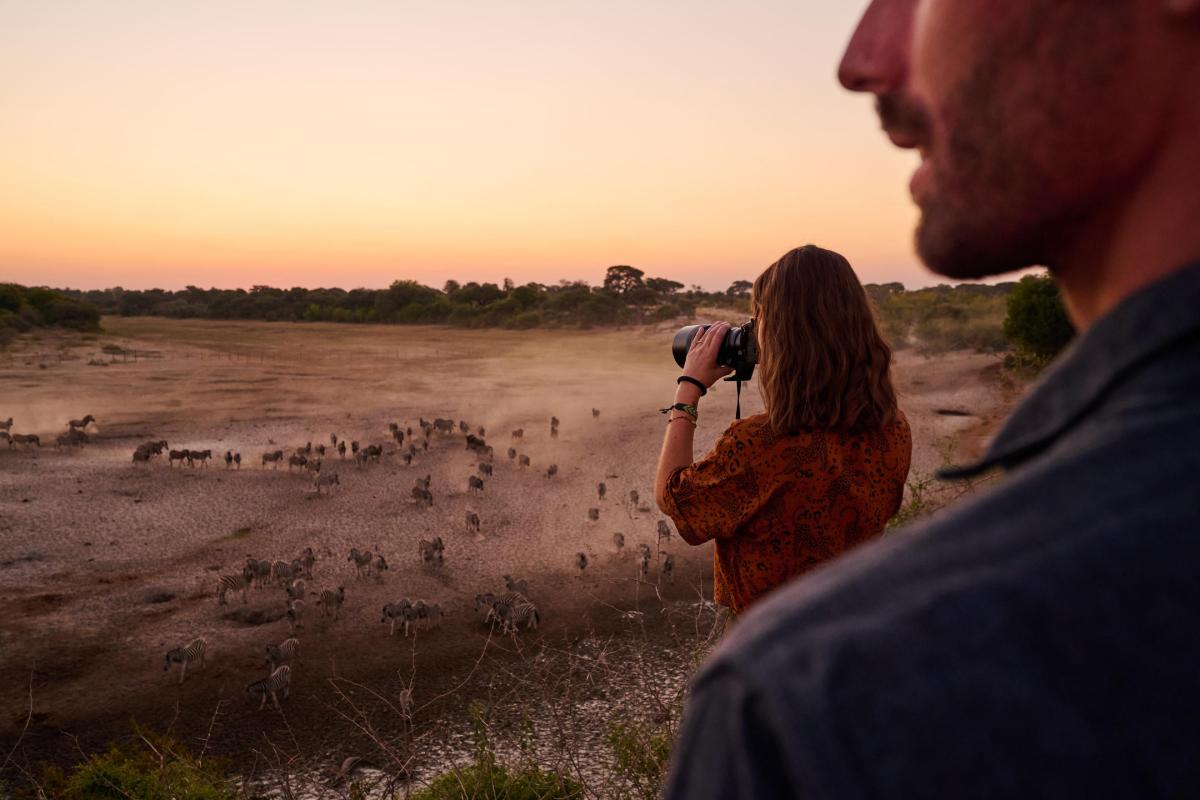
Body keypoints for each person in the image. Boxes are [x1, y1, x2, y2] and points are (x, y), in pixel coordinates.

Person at [665, 0, 1200, 797]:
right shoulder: (892, 434)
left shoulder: (791, 707)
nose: (861, 61)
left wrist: (689, 389)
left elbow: (680, 506)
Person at [654, 245, 911, 616]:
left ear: (781, 337)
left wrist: (689, 388)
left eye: (760, 319)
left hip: (772, 637)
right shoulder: (893, 428)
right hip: (855, 622)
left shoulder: (760, 444)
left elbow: (673, 497)